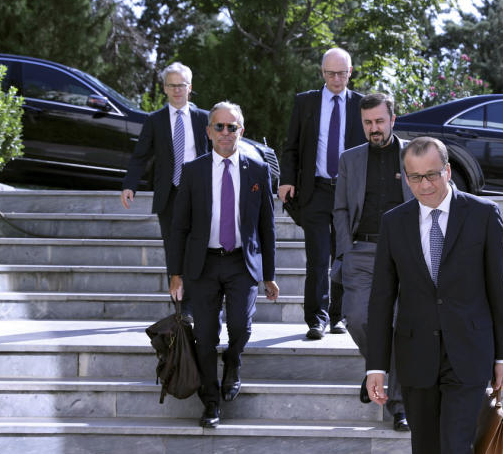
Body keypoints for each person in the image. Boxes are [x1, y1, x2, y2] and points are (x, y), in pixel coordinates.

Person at [366, 136, 503, 454]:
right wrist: (376, 364)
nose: (424, 185)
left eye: (431, 174)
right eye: (414, 177)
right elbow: (381, 298)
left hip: (469, 354)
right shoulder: (394, 222)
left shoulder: (484, 215)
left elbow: (498, 289)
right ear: (405, 177)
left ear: (447, 170)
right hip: (415, 355)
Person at [167, 102, 279, 428]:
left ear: (242, 131)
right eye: (220, 127)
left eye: (232, 127)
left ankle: (233, 361)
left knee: (241, 327)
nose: (226, 133)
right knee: (204, 335)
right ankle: (211, 402)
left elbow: (266, 227)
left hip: (241, 263)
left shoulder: (258, 171)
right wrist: (176, 274)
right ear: (209, 132)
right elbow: (180, 227)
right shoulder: (193, 171)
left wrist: (269, 275)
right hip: (202, 265)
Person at [333, 92, 411, 432]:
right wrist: (344, 251)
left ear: (392, 120)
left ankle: (397, 404)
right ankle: (378, 371)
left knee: (399, 325)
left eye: (380, 121)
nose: (374, 128)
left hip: (405, 254)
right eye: (368, 123)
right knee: (357, 319)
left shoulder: (414, 153)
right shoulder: (350, 159)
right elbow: (340, 209)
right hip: (362, 252)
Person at [279, 47, 364, 340]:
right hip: (315, 190)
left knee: (343, 257)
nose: (336, 78)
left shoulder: (361, 105)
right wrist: (286, 180)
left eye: (342, 73)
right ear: (322, 73)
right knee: (317, 258)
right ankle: (316, 319)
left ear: (350, 72)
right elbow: (291, 146)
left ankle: (338, 317)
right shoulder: (306, 102)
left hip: (349, 194)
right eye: (331, 73)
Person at [121, 62, 210, 313]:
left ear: (189, 87)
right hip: (169, 194)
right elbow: (140, 156)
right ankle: (182, 308)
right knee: (174, 248)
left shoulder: (204, 118)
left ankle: (199, 303)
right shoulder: (155, 120)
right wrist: (130, 185)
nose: (177, 90)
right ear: (165, 89)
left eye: (181, 85)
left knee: (197, 246)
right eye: (171, 85)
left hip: (198, 193)